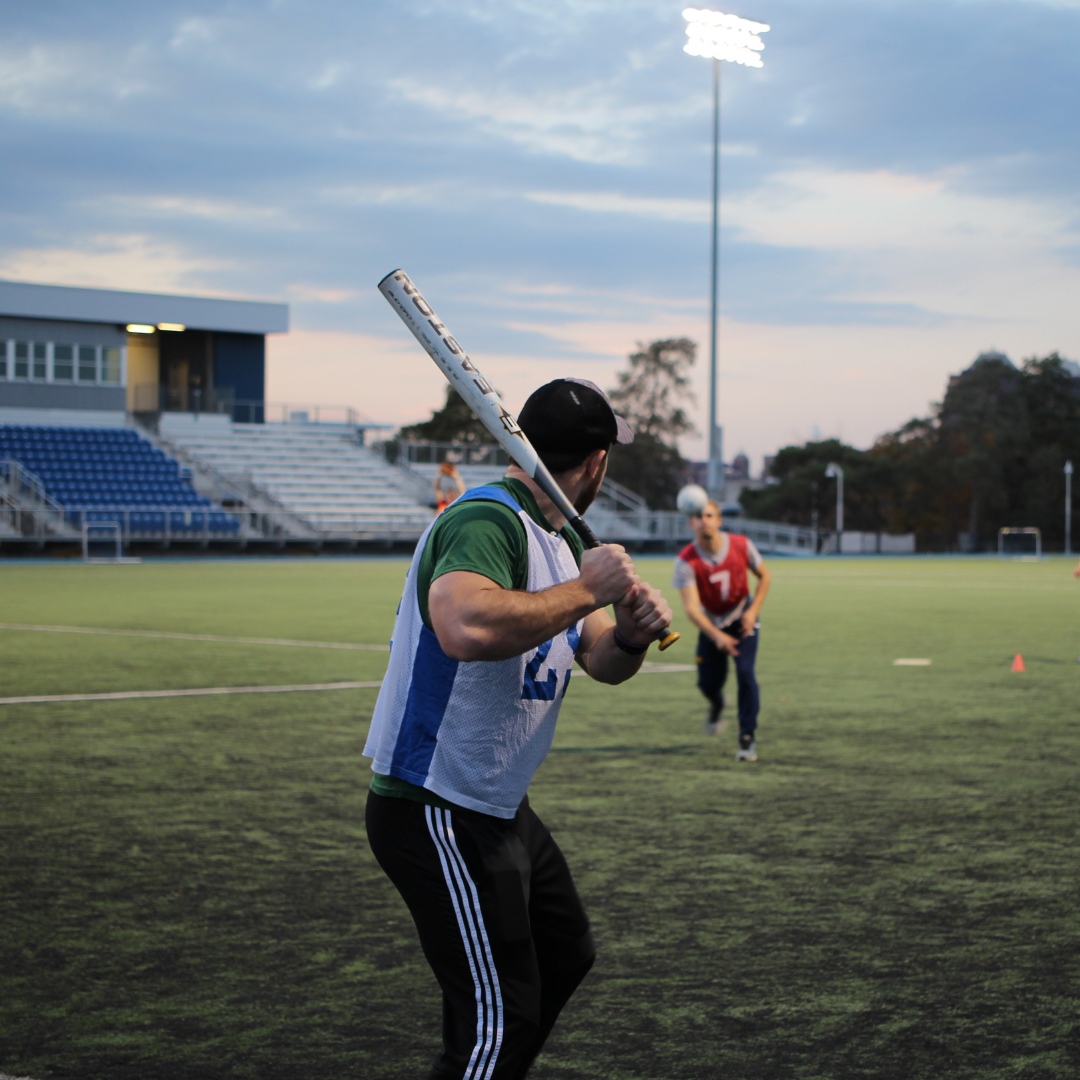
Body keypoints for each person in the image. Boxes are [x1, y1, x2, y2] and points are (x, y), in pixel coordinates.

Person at [364, 378, 673, 1080]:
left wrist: (624, 632)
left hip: (496, 805)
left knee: (564, 954)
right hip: (436, 804)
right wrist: (590, 590)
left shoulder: (556, 539)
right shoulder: (489, 521)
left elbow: (599, 658)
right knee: (500, 1020)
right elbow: (465, 625)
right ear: (597, 462)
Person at [673, 500, 771, 761]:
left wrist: (751, 612)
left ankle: (747, 738)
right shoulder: (686, 561)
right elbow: (692, 608)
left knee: (745, 673)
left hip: (742, 618)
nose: (703, 519)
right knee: (707, 683)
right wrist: (717, 636)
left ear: (719, 520)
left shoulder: (741, 545)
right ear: (690, 522)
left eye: (708, 515)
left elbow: (765, 577)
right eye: (697, 516)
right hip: (712, 625)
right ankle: (717, 705)